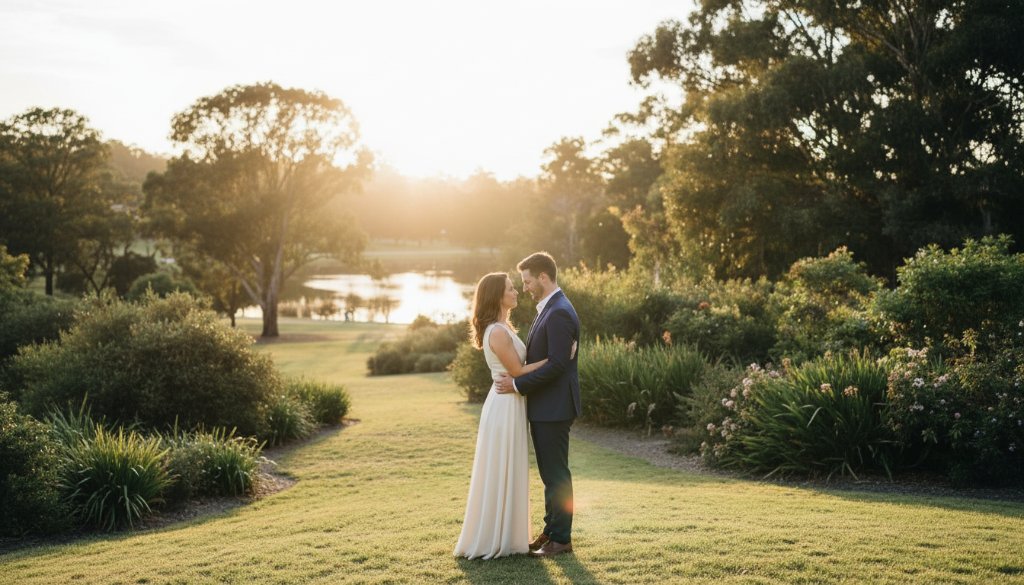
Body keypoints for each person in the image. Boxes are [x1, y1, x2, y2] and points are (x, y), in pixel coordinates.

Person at [454, 272, 548, 559]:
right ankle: (497, 536)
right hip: (505, 404)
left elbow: (518, 368)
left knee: (510, 465)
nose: (517, 291)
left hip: (511, 401)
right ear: (497, 296)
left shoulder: (503, 326)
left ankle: (510, 532)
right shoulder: (496, 331)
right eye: (510, 289)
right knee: (502, 466)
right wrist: (554, 360)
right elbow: (518, 372)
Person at [495, 251, 581, 558]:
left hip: (554, 406)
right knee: (549, 473)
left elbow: (558, 364)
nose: (526, 288)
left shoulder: (558, 311)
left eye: (528, 281)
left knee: (556, 473)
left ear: (543, 278)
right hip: (547, 405)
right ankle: (551, 530)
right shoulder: (549, 307)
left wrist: (517, 385)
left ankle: (561, 539)